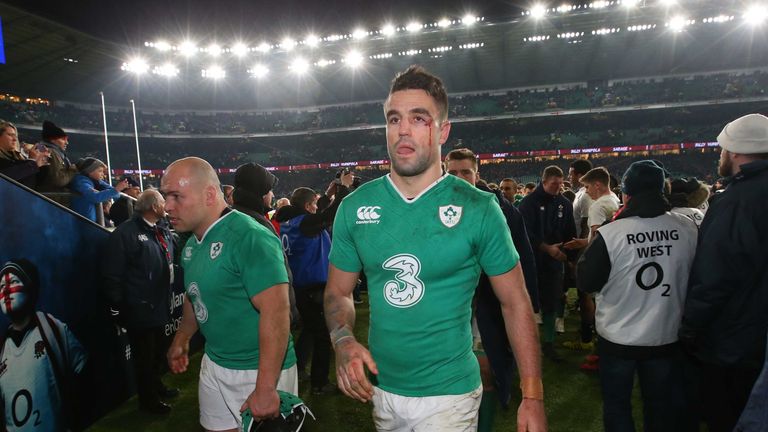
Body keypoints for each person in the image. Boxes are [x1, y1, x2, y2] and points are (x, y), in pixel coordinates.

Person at [324, 66, 545, 432]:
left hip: (449, 396)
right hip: (382, 390)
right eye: (394, 119)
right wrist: (343, 339)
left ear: (442, 131)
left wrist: (533, 395)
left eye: (418, 118)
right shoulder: (354, 207)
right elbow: (338, 292)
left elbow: (515, 301)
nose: (403, 130)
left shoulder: (478, 208)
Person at [161, 157, 297, 432]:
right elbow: (194, 294)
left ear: (210, 194)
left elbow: (277, 311)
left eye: (176, 196)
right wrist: (183, 336)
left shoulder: (249, 236)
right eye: (165, 196)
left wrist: (266, 386)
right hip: (215, 361)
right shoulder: (190, 244)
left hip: (259, 369)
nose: (167, 207)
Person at [577, 160, 698, 432]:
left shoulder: (612, 232)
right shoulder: (688, 227)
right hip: (666, 335)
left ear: (626, 195)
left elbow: (586, 280)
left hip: (619, 338)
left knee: (618, 407)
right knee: (660, 408)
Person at [679, 113, 768, 432]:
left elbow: (715, 275)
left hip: (734, 342)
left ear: (734, 151)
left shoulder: (735, 202)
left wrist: (689, 328)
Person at [444, 148, 539, 432]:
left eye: (466, 172)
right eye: (452, 173)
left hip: (488, 305)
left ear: (477, 174)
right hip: (448, 306)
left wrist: (530, 303)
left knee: (485, 370)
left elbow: (523, 255)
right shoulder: (432, 206)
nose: (459, 179)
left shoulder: (500, 209)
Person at [274, 173, 353, 395]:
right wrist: (343, 188)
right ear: (309, 206)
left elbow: (320, 215)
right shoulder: (305, 222)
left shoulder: (290, 221)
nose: (317, 208)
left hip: (300, 286)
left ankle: (298, 368)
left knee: (310, 330)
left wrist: (329, 194)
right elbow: (330, 214)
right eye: (315, 204)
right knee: (321, 335)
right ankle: (320, 383)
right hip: (312, 288)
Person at [102, 189, 178, 415]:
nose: (166, 205)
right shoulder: (125, 234)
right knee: (144, 358)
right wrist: (117, 305)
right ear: (154, 207)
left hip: (159, 303)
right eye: (163, 202)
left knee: (157, 354)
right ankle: (148, 402)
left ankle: (157, 387)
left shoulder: (160, 229)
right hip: (139, 307)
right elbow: (112, 273)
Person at [0, 259, 88, 431]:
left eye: (14, 282)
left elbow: (85, 376)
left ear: (30, 287)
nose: (6, 290)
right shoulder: (2, 349)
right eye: (2, 285)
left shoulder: (53, 329)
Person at [518, 165, 577, 362]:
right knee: (528, 304)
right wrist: (546, 248)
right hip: (532, 262)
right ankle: (527, 345)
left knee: (551, 303)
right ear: (543, 182)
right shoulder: (528, 203)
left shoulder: (564, 203)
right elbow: (524, 233)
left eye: (560, 184)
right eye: (554, 184)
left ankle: (549, 344)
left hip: (554, 262)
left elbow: (569, 230)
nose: (558, 188)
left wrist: (568, 255)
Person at [69, 157, 128, 223]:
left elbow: (117, 195)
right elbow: (94, 197)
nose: (102, 174)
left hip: (91, 221)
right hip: (83, 222)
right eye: (100, 171)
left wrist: (115, 190)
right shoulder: (81, 182)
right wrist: (115, 190)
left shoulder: (96, 181)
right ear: (90, 172)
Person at [0, 120, 49, 188]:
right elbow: (6, 178)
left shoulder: (18, 158)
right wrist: (32, 161)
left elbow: (36, 184)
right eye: (10, 135)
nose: (15, 139)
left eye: (15, 136)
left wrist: (41, 162)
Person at [36, 121, 77, 193]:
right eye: (63, 139)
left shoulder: (42, 148)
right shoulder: (51, 152)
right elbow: (59, 180)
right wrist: (73, 170)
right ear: (52, 139)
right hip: (52, 199)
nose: (67, 142)